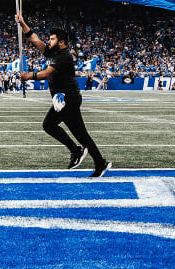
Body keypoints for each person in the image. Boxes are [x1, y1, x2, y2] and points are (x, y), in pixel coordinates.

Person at [15, 13, 110, 177]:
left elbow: (47, 74)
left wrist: (27, 76)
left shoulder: (64, 56)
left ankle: (76, 151)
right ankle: (100, 163)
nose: (49, 41)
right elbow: (35, 40)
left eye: (52, 39)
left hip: (68, 99)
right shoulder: (54, 53)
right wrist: (23, 23)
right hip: (66, 99)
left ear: (62, 42)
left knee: (49, 125)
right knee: (81, 134)